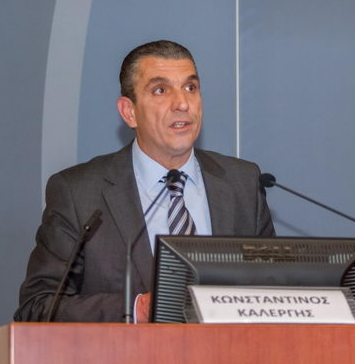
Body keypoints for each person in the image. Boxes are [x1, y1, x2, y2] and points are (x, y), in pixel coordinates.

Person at [14, 40, 274, 322]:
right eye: (161, 90)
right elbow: (37, 307)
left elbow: (273, 293)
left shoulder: (242, 183)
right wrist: (136, 309)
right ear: (129, 112)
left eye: (190, 88)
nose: (182, 104)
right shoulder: (79, 193)